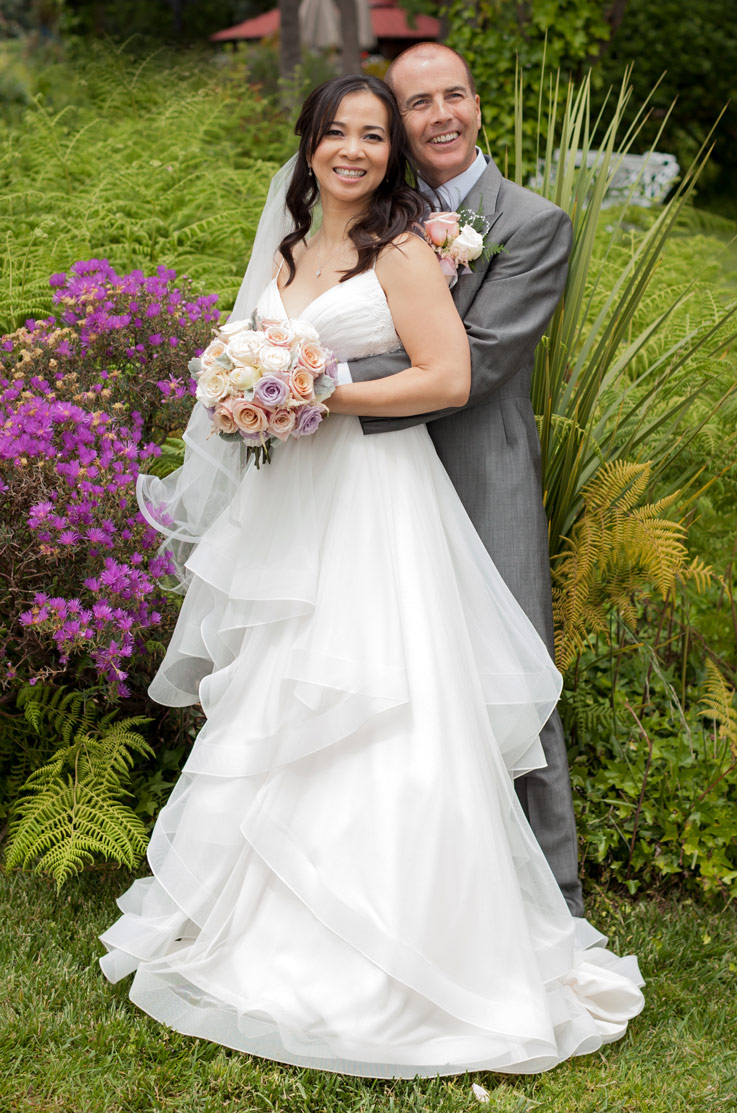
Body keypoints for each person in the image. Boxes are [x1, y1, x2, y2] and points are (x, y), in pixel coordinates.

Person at [100, 75, 643, 1077]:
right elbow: (249, 352)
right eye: (336, 133)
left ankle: (407, 949)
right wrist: (245, 399)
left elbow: (444, 376)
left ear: (390, 154)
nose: (354, 149)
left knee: (384, 697)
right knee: (281, 697)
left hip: (374, 499)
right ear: (308, 146)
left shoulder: (397, 250)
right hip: (291, 505)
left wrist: (316, 393)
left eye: (372, 136)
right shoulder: (288, 249)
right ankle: (265, 933)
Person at [347, 43, 583, 918]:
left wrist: (309, 386)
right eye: (417, 103)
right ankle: (425, 892)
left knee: (513, 678)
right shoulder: (378, 213)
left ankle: (551, 901)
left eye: (453, 96)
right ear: (400, 123)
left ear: (476, 105)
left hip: (483, 476)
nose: (439, 114)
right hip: (377, 485)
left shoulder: (531, 221)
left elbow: (474, 363)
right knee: (399, 672)